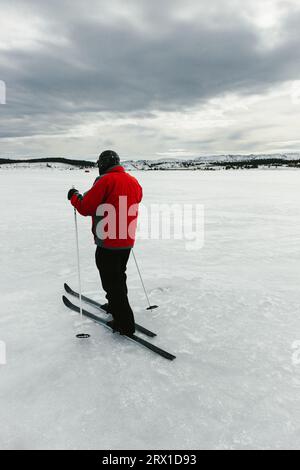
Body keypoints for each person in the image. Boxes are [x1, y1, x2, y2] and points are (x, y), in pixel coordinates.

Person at [67, 150, 143, 337]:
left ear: (103, 164)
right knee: (118, 276)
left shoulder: (105, 181)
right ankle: (115, 306)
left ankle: (125, 323)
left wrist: (74, 197)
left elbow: (86, 207)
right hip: (126, 239)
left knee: (112, 282)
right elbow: (138, 197)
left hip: (108, 242)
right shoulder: (133, 181)